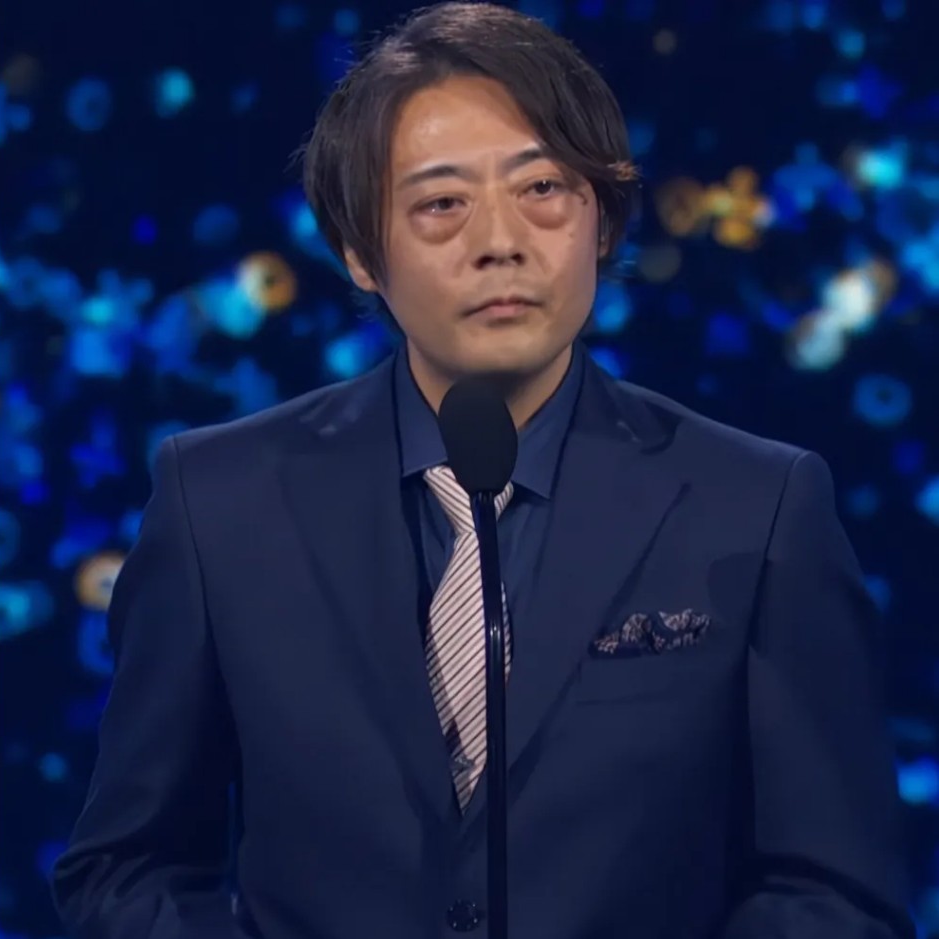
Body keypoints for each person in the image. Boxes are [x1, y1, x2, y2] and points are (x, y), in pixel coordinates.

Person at [51, 3, 914, 937]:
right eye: (441, 204)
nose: (500, 242)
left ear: (601, 219)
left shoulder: (758, 505)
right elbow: (125, 869)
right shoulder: (219, 503)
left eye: (542, 188)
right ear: (358, 252)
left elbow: (834, 892)